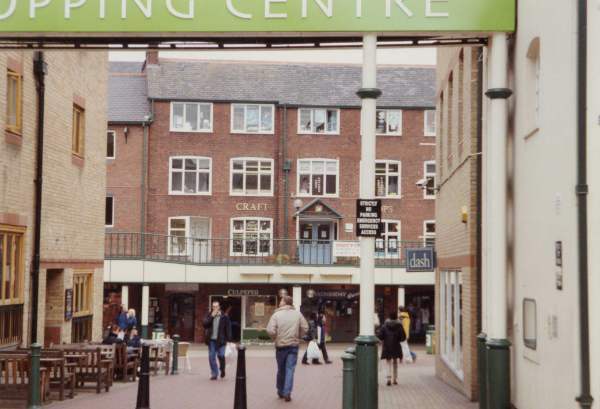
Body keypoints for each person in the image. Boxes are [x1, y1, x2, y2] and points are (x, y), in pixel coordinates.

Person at [266, 295, 309, 402]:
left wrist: (275, 338)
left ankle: (280, 391)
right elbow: (305, 327)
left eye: (281, 300)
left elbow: (270, 330)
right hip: (293, 345)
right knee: (290, 369)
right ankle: (287, 392)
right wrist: (298, 335)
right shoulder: (297, 314)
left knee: (281, 369)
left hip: (281, 346)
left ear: (285, 302)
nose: (280, 302)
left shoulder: (276, 314)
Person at [202, 300, 232, 380]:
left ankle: (222, 369)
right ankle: (214, 373)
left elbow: (228, 328)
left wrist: (229, 340)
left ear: (219, 307)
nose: (215, 308)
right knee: (211, 357)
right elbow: (204, 324)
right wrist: (212, 316)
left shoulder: (224, 316)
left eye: (216, 306)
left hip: (221, 340)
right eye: (213, 306)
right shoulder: (209, 315)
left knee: (221, 355)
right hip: (211, 340)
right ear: (212, 307)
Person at [377, 312, 406, 386]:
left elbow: (380, 336)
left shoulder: (385, 326)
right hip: (396, 346)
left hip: (387, 346)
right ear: (396, 318)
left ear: (389, 318)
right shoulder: (399, 326)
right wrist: (398, 339)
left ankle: (388, 378)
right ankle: (395, 379)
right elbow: (403, 337)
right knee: (395, 362)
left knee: (388, 362)